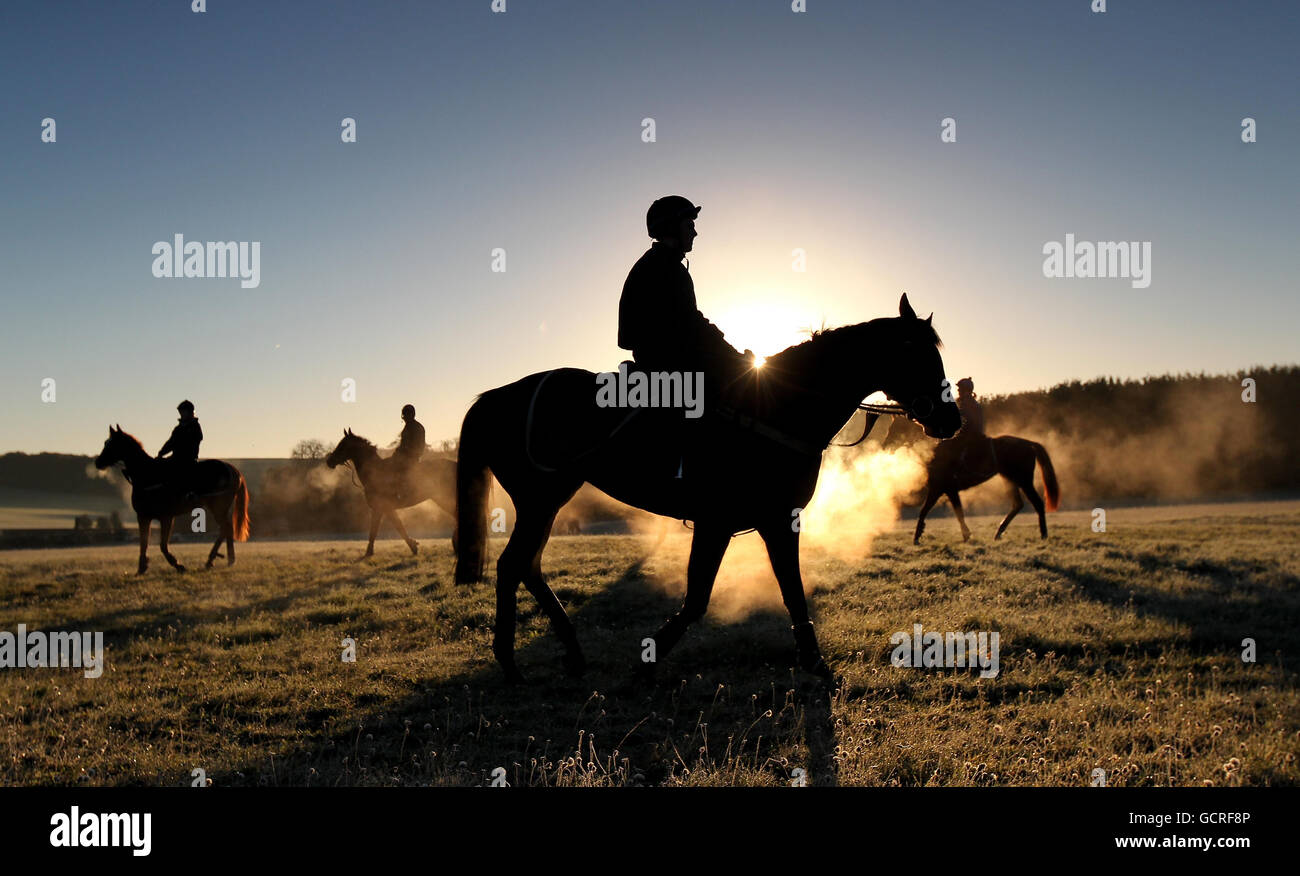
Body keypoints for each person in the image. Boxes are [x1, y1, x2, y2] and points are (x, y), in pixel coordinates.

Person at [157, 399, 203, 498]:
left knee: (185, 471)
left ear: (190, 412)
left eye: (184, 412)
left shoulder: (195, 426)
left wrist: (181, 446)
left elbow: (196, 440)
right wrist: (161, 453)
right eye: (181, 412)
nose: (182, 414)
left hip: (188, 458)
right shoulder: (178, 429)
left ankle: (191, 492)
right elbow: (170, 442)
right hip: (176, 457)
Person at [391, 404, 425, 494]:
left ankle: (400, 493)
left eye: (405, 415)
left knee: (397, 472)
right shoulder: (409, 426)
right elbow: (404, 444)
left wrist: (404, 453)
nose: (404, 418)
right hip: (405, 457)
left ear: (411, 415)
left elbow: (418, 446)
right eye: (404, 415)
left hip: (411, 458)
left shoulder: (416, 427)